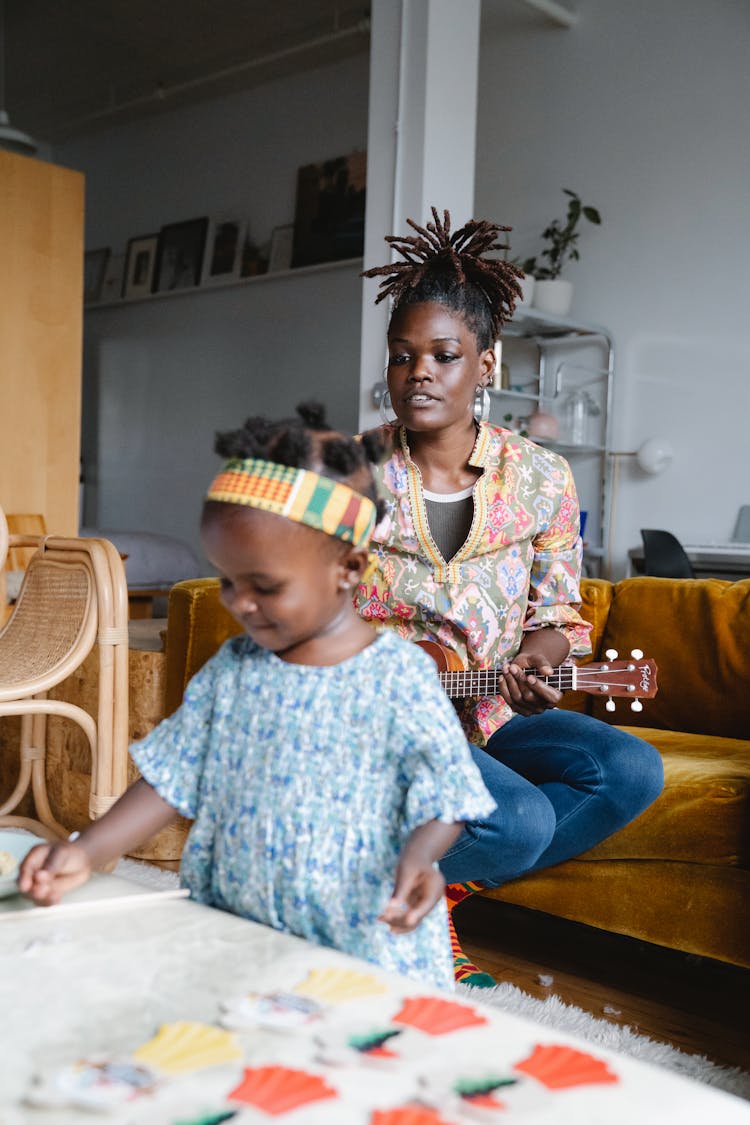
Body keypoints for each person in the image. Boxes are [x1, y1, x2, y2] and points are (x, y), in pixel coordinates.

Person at [19, 403, 496, 992]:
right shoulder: (233, 671)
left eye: (264, 586)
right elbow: (172, 777)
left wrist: (421, 858)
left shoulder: (398, 679)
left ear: (349, 567)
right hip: (239, 924)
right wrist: (86, 851)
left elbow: (446, 795)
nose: (239, 603)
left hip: (360, 941)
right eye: (227, 580)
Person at [358, 208, 665, 983]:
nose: (418, 372)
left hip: (487, 707)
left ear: (486, 366)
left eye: (443, 354)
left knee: (630, 771)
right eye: (403, 356)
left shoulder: (542, 477)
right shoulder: (352, 474)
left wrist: (537, 658)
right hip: (378, 717)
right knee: (521, 817)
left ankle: (426, 895)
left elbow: (560, 612)